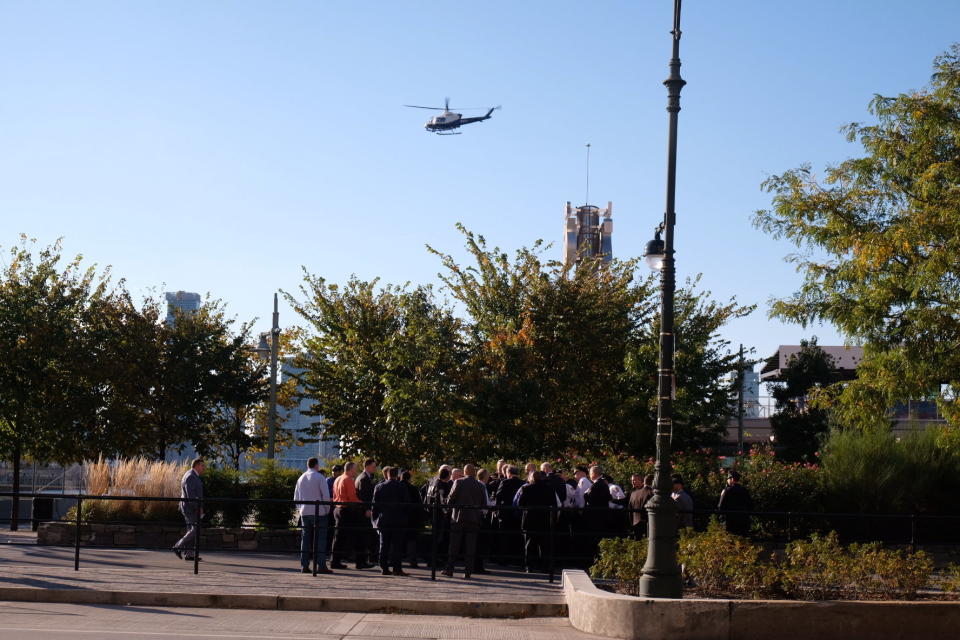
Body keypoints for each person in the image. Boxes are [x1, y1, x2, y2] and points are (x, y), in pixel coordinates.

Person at [442, 464, 487, 579]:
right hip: (474, 518)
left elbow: (450, 500)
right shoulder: (480, 485)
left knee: (454, 545)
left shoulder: (459, 482)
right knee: (470, 546)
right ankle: (468, 571)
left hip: (458, 517)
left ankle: (450, 569)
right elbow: (484, 503)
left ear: (465, 472)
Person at [293, 457, 333, 574]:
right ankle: (321, 565)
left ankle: (304, 565)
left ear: (307, 465)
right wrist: (327, 509)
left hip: (305, 512)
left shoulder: (301, 478)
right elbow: (325, 496)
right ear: (316, 465)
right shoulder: (320, 477)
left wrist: (300, 509)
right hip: (319, 512)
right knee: (320, 539)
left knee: (305, 539)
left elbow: (296, 498)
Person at [516, 470, 560, 573]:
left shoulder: (526, 488)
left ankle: (529, 566)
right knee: (544, 545)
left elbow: (520, 504)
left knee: (529, 544)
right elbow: (554, 505)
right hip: (544, 519)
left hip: (529, 519)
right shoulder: (549, 489)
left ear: (531, 478)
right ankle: (544, 566)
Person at [331, 462, 372, 570]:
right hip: (347, 510)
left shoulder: (338, 479)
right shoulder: (348, 480)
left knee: (339, 538)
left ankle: (335, 561)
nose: (356, 471)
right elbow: (352, 498)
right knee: (359, 536)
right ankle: (360, 562)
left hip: (338, 509)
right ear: (350, 469)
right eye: (355, 469)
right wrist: (363, 504)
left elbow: (334, 495)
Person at [371, 466, 410, 576]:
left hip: (384, 519)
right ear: (397, 475)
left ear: (387, 474)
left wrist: (375, 519)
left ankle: (384, 567)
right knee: (397, 545)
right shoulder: (401, 486)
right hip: (398, 519)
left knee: (384, 545)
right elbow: (406, 503)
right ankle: (397, 568)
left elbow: (375, 505)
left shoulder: (379, 487)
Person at [173, 458, 205, 561]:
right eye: (202, 466)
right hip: (190, 508)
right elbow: (191, 495)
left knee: (191, 530)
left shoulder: (192, 475)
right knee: (194, 530)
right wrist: (198, 508)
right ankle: (178, 546)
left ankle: (189, 554)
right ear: (196, 465)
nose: (203, 468)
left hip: (189, 507)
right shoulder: (191, 476)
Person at [493, 465, 524, 566]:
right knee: (516, 537)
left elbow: (498, 496)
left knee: (504, 537)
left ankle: (503, 559)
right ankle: (516, 559)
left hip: (505, 513)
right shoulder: (522, 483)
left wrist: (497, 510)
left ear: (508, 473)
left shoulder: (505, 482)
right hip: (517, 514)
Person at [424, 466, 453, 568]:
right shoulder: (441, 484)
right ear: (447, 475)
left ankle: (432, 559)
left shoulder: (432, 482)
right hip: (439, 514)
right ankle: (434, 560)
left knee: (434, 538)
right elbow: (441, 500)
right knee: (438, 538)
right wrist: (446, 512)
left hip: (432, 513)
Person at [355, 458, 379, 566]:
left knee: (366, 536)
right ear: (367, 466)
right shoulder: (364, 479)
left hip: (364, 510)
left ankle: (364, 560)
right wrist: (367, 509)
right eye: (373, 466)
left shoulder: (364, 477)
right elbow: (363, 496)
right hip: (364, 511)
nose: (375, 468)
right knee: (364, 536)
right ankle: (362, 561)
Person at [400, 470, 425, 568]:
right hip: (411, 518)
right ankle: (412, 560)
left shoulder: (397, 487)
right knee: (411, 540)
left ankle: (395, 560)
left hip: (399, 517)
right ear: (409, 478)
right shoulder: (413, 488)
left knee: (398, 539)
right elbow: (419, 504)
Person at [718, 470, 753, 536]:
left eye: (728, 479)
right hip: (743, 522)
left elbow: (720, 507)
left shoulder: (727, 491)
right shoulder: (745, 490)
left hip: (730, 523)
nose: (727, 480)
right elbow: (750, 505)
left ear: (732, 479)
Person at [628, 474, 655, 540]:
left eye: (635, 480)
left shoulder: (633, 494)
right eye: (632, 480)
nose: (633, 482)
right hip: (646, 524)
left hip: (636, 524)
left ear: (642, 481)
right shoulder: (650, 492)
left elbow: (630, 511)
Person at [325, 464, 343, 555]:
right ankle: (328, 549)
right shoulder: (328, 480)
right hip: (330, 507)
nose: (334, 472)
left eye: (336, 471)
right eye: (333, 470)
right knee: (329, 529)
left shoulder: (341, 480)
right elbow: (327, 493)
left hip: (338, 507)